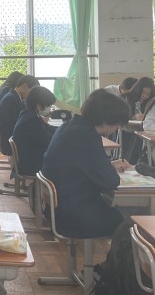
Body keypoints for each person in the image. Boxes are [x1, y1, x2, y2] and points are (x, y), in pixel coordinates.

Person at [42, 89, 133, 238]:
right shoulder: (87, 138)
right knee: (130, 221)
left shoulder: (69, 126)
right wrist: (107, 168)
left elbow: (81, 164)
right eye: (117, 123)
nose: (118, 128)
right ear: (105, 121)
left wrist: (108, 165)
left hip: (59, 207)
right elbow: (110, 181)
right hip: (74, 215)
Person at [11, 86, 57, 176]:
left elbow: (47, 128)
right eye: (48, 105)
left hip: (29, 159)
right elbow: (48, 140)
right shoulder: (31, 121)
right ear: (38, 105)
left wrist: (62, 130)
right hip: (31, 164)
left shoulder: (27, 114)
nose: (49, 108)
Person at [0, 75, 39, 157]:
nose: (32, 95)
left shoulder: (15, 97)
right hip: (12, 141)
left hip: (14, 137)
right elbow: (14, 123)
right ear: (24, 86)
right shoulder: (10, 99)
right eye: (32, 91)